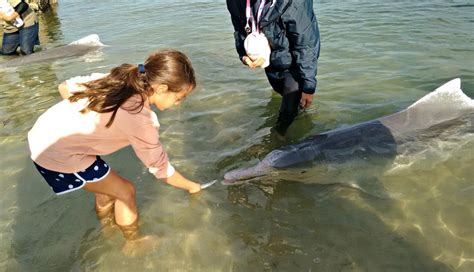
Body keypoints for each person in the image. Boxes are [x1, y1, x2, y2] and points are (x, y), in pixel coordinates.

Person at [28, 49, 202, 254]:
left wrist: (89, 121)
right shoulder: (140, 120)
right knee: (125, 191)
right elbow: (160, 169)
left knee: (107, 188)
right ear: (162, 88)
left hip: (45, 131)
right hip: (55, 153)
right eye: (179, 97)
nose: (178, 103)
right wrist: (192, 187)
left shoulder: (123, 76)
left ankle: (106, 229)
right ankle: (132, 243)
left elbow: (64, 87)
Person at [226, 0, 320, 136]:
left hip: (294, 65)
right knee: (285, 97)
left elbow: (305, 43)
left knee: (284, 121)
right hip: (271, 62)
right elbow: (239, 29)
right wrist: (243, 55)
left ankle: (278, 137)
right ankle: (300, 116)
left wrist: (309, 86)